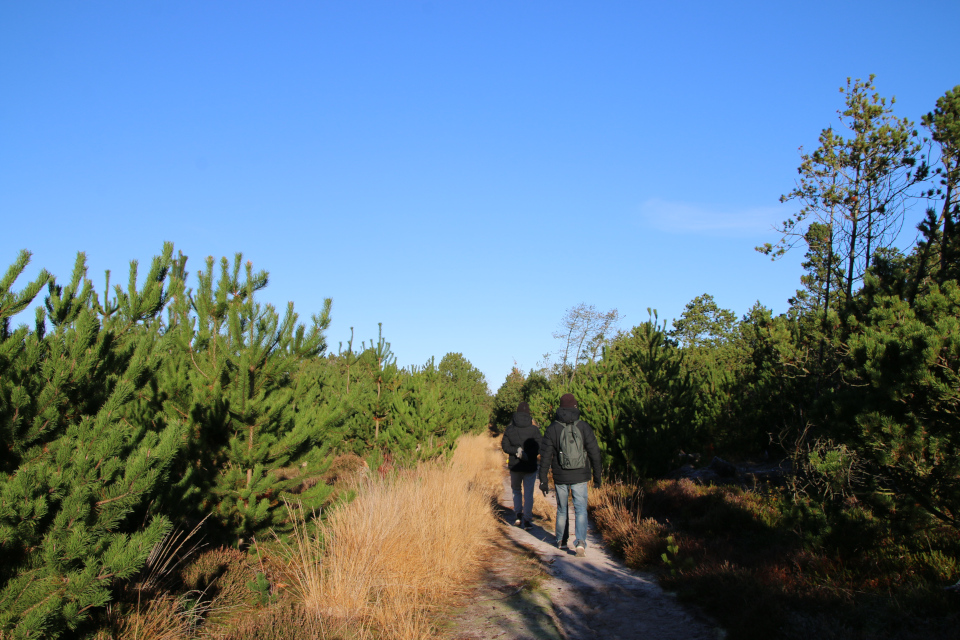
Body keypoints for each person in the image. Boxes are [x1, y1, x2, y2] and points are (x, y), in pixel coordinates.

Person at [538, 393, 602, 557]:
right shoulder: (584, 426)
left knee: (562, 509)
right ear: (575, 406)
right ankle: (580, 543)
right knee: (580, 509)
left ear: (560, 407)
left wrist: (543, 479)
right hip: (580, 475)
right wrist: (598, 475)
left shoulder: (553, 428)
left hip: (560, 476)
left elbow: (545, 456)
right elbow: (594, 452)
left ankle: (561, 540)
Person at [500, 401, 541, 529]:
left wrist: (517, 452)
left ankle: (518, 515)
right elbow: (540, 446)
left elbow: (505, 446)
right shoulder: (534, 429)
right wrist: (528, 454)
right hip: (530, 466)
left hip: (515, 466)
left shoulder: (510, 428)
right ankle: (527, 520)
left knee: (516, 490)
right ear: (529, 414)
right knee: (528, 493)